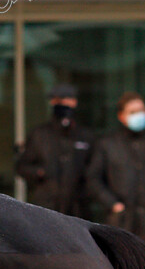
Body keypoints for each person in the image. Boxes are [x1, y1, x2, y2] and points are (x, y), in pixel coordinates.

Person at [87, 92, 145, 253]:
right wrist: (113, 204)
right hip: (121, 224)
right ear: (121, 116)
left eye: (141, 110)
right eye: (132, 112)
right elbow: (92, 178)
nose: (139, 115)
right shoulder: (107, 144)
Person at [16, 84, 94, 217]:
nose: (63, 104)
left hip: (77, 207)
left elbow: (93, 170)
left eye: (66, 99)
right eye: (58, 100)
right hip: (47, 205)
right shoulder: (40, 134)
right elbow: (22, 166)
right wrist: (41, 172)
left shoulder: (85, 135)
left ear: (74, 102)